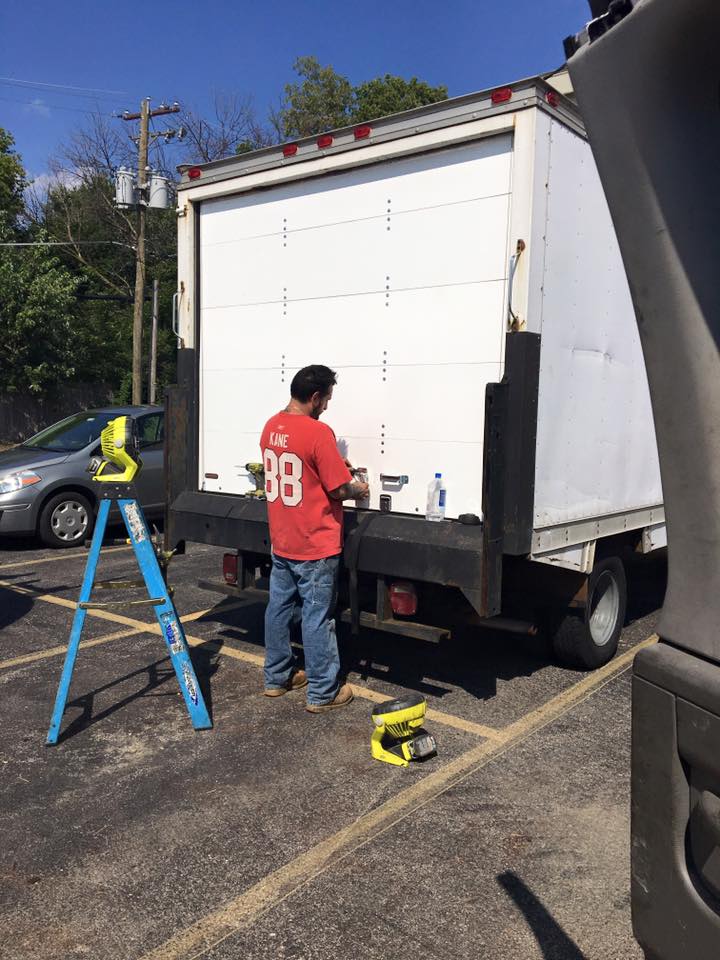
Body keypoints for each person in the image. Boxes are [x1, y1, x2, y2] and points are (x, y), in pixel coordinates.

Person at [260, 365, 370, 713]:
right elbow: (338, 488)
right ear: (315, 397)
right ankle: (323, 691)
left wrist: (335, 465)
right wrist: (359, 487)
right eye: (326, 400)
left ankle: (277, 678)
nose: (327, 407)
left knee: (278, 608)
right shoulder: (318, 432)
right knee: (317, 615)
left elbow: (303, 469)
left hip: (282, 538)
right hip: (315, 542)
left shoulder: (271, 426)